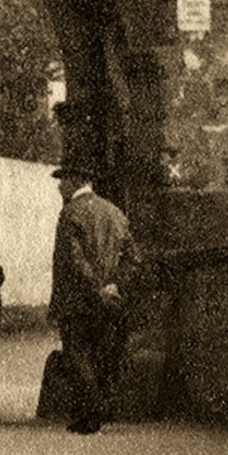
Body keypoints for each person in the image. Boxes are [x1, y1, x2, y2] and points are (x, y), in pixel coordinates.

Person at [49, 162, 135, 435]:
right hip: (109, 300)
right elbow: (131, 258)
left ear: (76, 180)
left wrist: (96, 286)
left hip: (78, 299)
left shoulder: (70, 213)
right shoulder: (115, 213)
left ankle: (91, 411)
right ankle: (91, 412)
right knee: (100, 355)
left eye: (63, 179)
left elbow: (74, 260)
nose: (60, 185)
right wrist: (113, 285)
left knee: (77, 355)